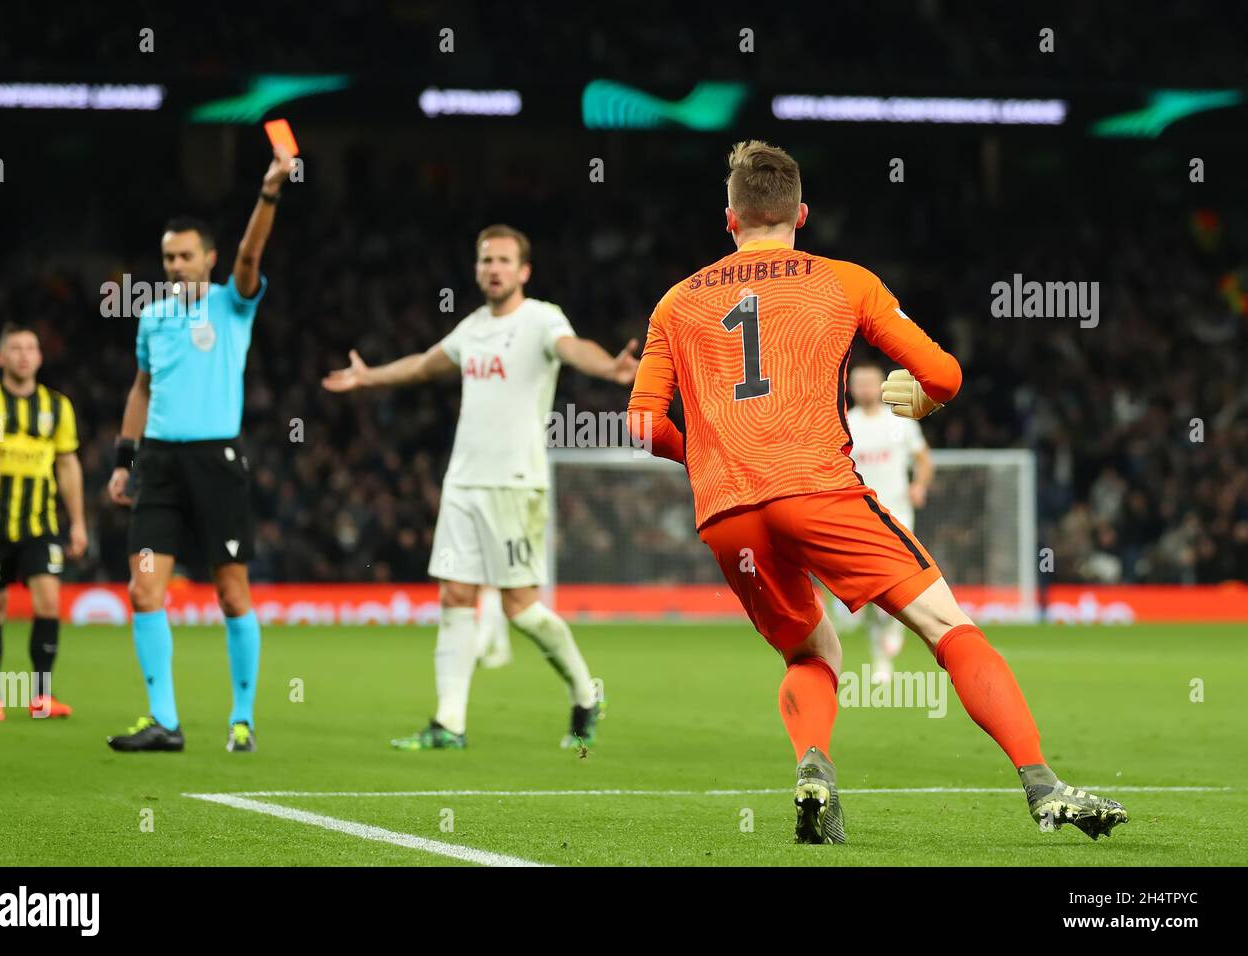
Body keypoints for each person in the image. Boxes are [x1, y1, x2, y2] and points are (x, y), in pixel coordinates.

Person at [627, 140, 1127, 844]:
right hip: (820, 492)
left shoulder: (676, 302)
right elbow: (945, 374)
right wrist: (923, 402)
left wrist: (707, 457)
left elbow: (645, 425)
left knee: (811, 655)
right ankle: (1042, 784)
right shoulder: (844, 281)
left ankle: (814, 769)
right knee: (948, 627)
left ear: (729, 217)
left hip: (728, 516)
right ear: (800, 213)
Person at [323, 224, 636, 750]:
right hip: (463, 481)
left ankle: (586, 693)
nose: (493, 268)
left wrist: (608, 366)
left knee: (520, 609)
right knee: (455, 593)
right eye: (485, 260)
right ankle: (450, 724)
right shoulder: (471, 328)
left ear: (523, 271)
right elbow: (425, 366)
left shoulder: (541, 319)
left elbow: (572, 347)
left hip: (514, 483)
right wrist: (370, 377)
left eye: (503, 261)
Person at [105, 145, 294, 753]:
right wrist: (123, 460)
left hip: (216, 462)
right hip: (158, 463)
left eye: (187, 255)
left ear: (208, 259)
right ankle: (165, 721)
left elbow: (251, 253)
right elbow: (141, 389)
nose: (177, 265)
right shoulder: (153, 317)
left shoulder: (232, 304)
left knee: (231, 592)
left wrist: (269, 192)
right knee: (142, 588)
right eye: (168, 257)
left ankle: (242, 718)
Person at [0, 323, 84, 719]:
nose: (24, 355)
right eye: (16, 348)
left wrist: (78, 522)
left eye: (31, 348)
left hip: (39, 525)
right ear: (1, 357)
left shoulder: (58, 407)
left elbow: (68, 465)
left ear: (40, 357)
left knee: (48, 599)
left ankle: (41, 697)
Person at [846, 362, 933, 682]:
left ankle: (894, 626)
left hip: (897, 515)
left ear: (881, 385)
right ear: (851, 387)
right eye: (859, 383)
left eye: (870, 382)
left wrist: (919, 484)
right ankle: (880, 655)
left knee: (898, 581)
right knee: (870, 592)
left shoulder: (900, 421)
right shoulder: (845, 424)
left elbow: (923, 459)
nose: (865, 388)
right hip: (859, 517)